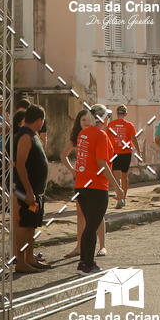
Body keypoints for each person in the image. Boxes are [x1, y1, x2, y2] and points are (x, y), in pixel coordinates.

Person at [73, 103, 122, 275]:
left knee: (89, 225)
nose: (109, 119)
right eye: (107, 116)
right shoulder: (101, 135)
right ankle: (88, 263)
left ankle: (83, 262)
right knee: (92, 226)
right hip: (96, 186)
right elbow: (102, 163)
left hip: (81, 184)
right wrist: (117, 186)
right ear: (101, 118)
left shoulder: (83, 133)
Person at [61, 109, 108, 259]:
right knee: (81, 214)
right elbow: (63, 155)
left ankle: (102, 246)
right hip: (81, 180)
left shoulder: (98, 135)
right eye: (83, 120)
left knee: (97, 215)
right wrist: (73, 170)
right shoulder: (78, 137)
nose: (86, 123)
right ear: (78, 123)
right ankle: (79, 246)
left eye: (88, 120)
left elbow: (101, 160)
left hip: (96, 180)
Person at [13, 104, 50, 273]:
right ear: (39, 120)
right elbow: (20, 165)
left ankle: (29, 258)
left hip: (35, 192)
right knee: (23, 225)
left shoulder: (32, 135)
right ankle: (20, 261)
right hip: (26, 192)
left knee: (31, 225)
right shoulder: (25, 136)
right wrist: (28, 191)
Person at [107, 104, 138, 208]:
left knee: (116, 178)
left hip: (114, 153)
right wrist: (139, 152)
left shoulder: (111, 125)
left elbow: (106, 140)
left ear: (117, 113)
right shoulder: (129, 125)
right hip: (126, 153)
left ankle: (119, 198)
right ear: (125, 114)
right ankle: (124, 198)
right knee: (124, 176)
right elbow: (134, 139)